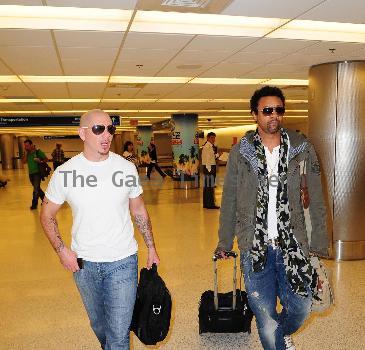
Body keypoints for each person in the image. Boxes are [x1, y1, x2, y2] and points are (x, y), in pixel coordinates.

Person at [215, 86, 329, 350]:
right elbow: (230, 199)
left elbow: (317, 198)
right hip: (255, 247)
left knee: (301, 306)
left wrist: (318, 243)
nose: (273, 115)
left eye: (279, 110)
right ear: (255, 114)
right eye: (267, 110)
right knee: (265, 316)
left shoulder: (301, 149)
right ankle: (275, 337)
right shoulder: (241, 153)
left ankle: (281, 332)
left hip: (293, 244)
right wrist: (224, 242)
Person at [40, 109, 160, 350]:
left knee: (118, 334)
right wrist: (62, 250)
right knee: (100, 325)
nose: (106, 135)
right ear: (82, 133)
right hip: (84, 265)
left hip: (123, 260)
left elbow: (138, 210)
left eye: (110, 129)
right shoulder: (66, 173)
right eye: (98, 129)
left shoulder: (126, 168)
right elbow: (47, 214)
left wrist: (151, 247)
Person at [22, 139, 47, 210]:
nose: (26, 147)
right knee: (37, 188)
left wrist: (40, 161)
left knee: (35, 189)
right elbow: (23, 162)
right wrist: (26, 154)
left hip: (37, 173)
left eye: (27, 145)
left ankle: (34, 204)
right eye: (25, 146)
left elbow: (46, 159)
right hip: (31, 174)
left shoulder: (38, 152)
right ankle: (45, 201)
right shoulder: (28, 154)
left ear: (31, 145)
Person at [201, 132, 220, 209]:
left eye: (214, 138)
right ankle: (210, 204)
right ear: (208, 138)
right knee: (209, 187)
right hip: (209, 168)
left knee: (208, 186)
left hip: (209, 167)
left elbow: (211, 156)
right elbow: (207, 159)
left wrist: (218, 155)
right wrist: (209, 170)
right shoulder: (207, 147)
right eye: (212, 138)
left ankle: (206, 203)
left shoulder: (209, 146)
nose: (213, 139)